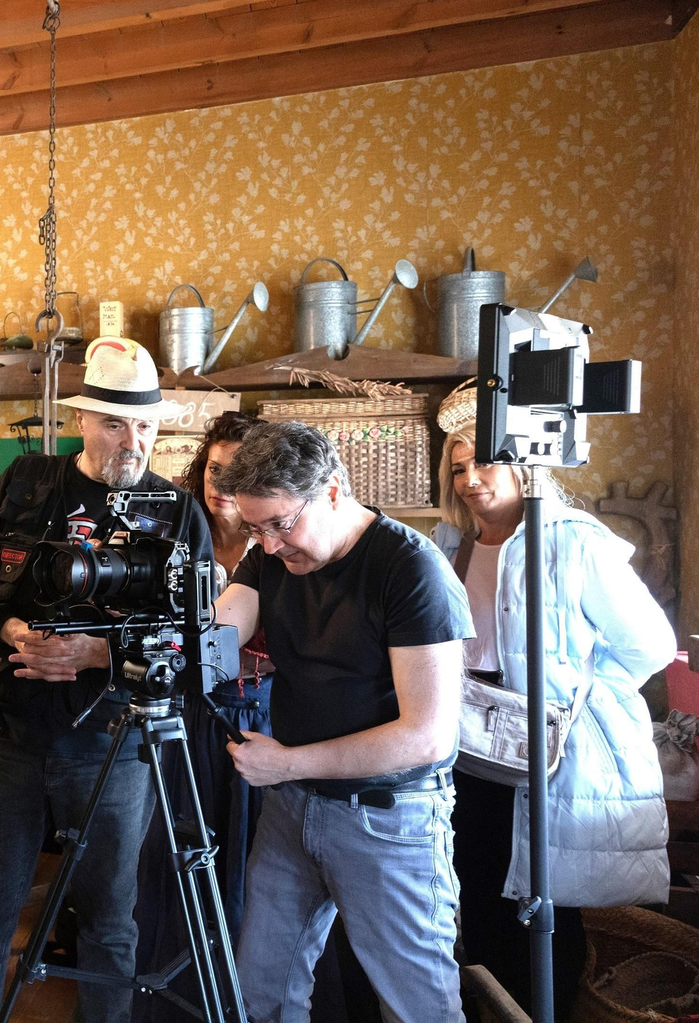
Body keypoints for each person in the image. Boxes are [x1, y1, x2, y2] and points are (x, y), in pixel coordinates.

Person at [0, 337, 212, 1023]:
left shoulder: (178, 513)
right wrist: (10, 629)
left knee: (109, 921)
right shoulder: (25, 483)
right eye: (116, 423)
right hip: (12, 736)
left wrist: (97, 655)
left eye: (145, 425)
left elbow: (198, 644)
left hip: (114, 745)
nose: (133, 441)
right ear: (82, 420)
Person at [209, 420, 473, 1023]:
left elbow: (427, 735)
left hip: (388, 817)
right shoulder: (271, 556)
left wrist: (287, 763)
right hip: (293, 807)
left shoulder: (411, 568)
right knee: (262, 994)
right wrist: (146, 649)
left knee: (417, 1009)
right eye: (255, 529)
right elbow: (220, 633)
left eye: (280, 524)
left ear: (330, 490)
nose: (269, 545)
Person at [432, 419, 673, 1017]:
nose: (470, 479)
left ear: (521, 465)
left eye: (484, 462)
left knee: (545, 896)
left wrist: (579, 696)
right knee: (477, 885)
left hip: (546, 742)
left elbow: (648, 644)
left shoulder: (575, 542)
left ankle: (551, 1010)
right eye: (458, 469)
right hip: (467, 738)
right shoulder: (449, 545)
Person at [133, 411, 271, 1022]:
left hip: (259, 713)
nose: (220, 484)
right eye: (213, 469)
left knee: (250, 857)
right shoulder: (177, 533)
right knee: (176, 847)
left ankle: (241, 991)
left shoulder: (277, 540)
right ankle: (173, 998)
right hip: (187, 708)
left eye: (236, 473)